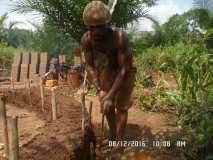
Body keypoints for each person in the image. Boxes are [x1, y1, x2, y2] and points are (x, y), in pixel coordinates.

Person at [81, 0, 136, 141]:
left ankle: (119, 143)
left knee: (121, 107)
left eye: (100, 27)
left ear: (108, 24)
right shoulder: (87, 40)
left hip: (125, 71)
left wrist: (112, 95)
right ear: (87, 27)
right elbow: (90, 66)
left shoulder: (119, 37)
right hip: (107, 70)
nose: (96, 32)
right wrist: (101, 90)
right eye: (92, 28)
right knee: (107, 106)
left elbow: (124, 68)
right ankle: (112, 136)